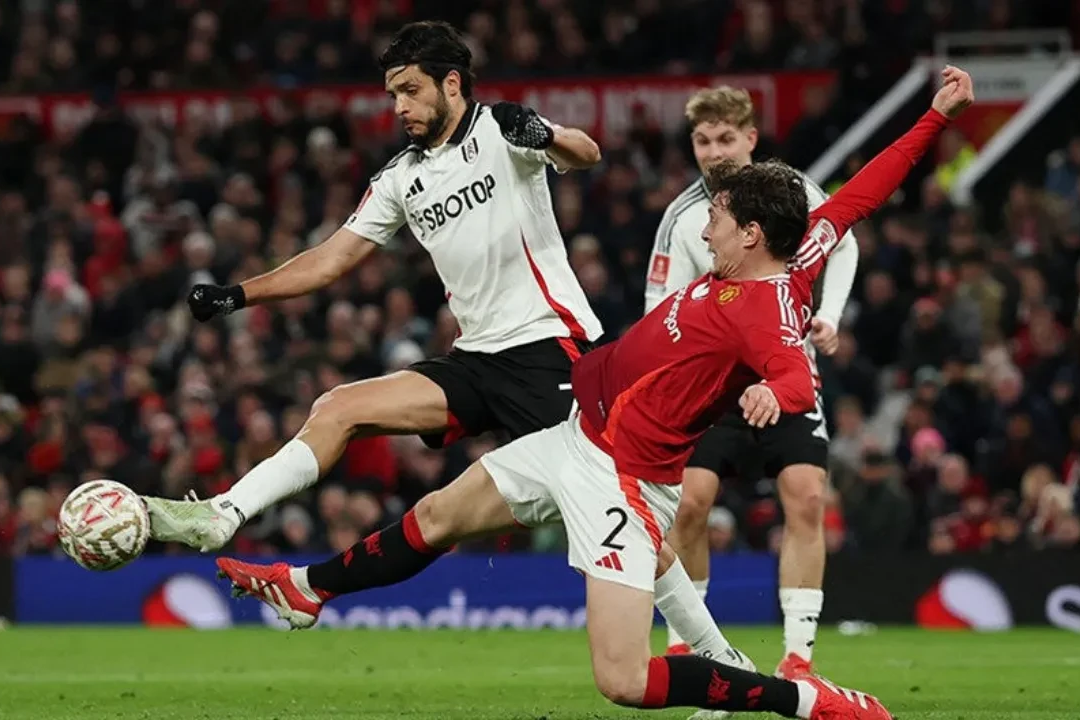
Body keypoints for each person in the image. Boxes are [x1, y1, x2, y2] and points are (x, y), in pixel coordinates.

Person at [214, 65, 976, 720]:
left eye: (716, 215)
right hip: (578, 435)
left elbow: (786, 365)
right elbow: (863, 193)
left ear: (749, 234)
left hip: (630, 480)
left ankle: (801, 701)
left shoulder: (768, 315)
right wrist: (934, 117)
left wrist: (777, 394)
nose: (702, 223)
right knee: (439, 514)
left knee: (622, 681)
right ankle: (309, 589)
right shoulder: (796, 247)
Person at [142, 21, 606, 548]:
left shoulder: (500, 128)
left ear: (451, 84)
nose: (399, 107)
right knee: (337, 407)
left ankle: (701, 635)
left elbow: (586, 152)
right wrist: (238, 295)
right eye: (392, 95)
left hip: (548, 348)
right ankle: (223, 513)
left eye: (410, 91)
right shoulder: (400, 178)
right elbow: (330, 259)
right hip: (476, 360)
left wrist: (547, 135)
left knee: (607, 507)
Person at [645, 86, 859, 670]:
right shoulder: (683, 216)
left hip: (784, 373)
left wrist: (829, 314)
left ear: (750, 139)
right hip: (711, 390)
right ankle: (687, 645)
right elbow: (657, 307)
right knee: (690, 505)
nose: (713, 152)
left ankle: (797, 656)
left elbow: (845, 243)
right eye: (701, 140)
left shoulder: (792, 192)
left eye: (724, 138)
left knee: (808, 498)